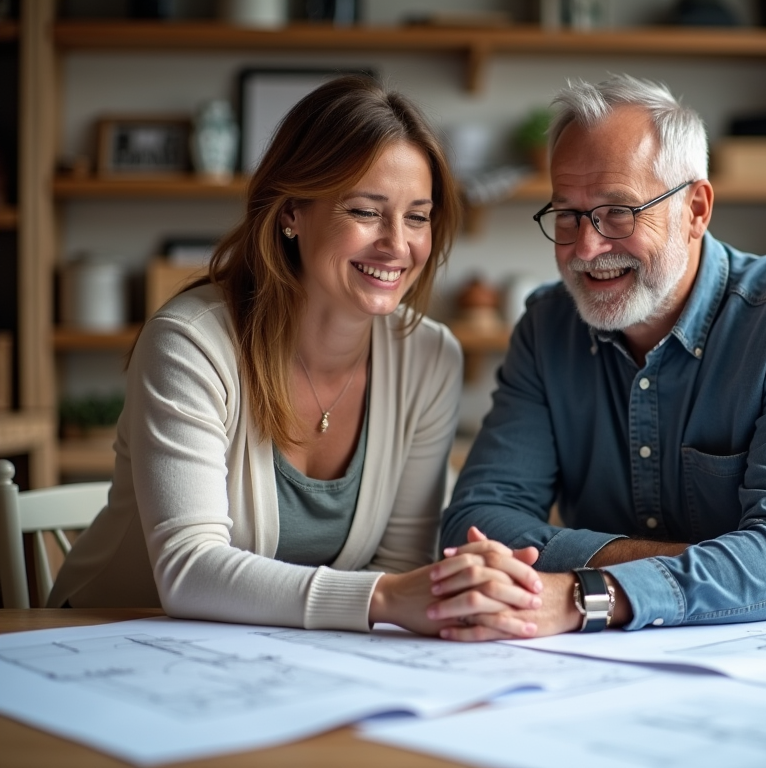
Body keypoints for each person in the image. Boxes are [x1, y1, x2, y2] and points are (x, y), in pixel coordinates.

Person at [49, 75, 542, 639]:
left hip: (272, 656)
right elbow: (188, 570)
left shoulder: (430, 358)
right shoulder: (190, 344)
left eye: (417, 216)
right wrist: (385, 596)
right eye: (365, 210)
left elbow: (400, 562)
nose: (398, 245)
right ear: (291, 212)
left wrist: (448, 591)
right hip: (105, 641)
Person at [440, 73, 766, 640]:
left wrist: (587, 592)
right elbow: (476, 523)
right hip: (627, 651)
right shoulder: (548, 326)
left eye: (619, 212)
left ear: (696, 209)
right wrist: (708, 563)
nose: (586, 248)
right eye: (568, 215)